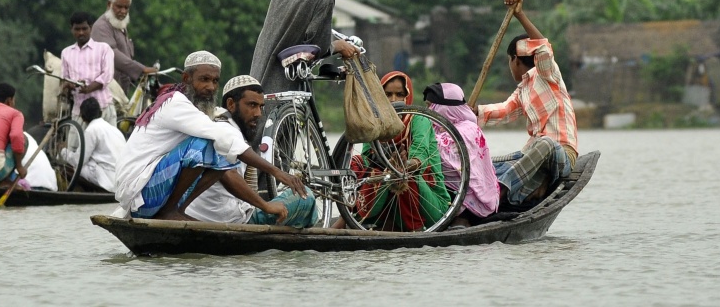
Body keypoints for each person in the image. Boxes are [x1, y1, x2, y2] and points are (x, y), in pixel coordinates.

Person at [113, 50, 307, 221]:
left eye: (215, 81)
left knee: (219, 150)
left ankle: (176, 210)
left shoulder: (196, 110)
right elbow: (221, 137)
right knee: (209, 143)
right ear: (187, 79)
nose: (211, 87)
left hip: (147, 192)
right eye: (204, 79)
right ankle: (171, 211)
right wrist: (276, 173)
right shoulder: (175, 103)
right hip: (141, 194)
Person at [474, 0, 578, 205]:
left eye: (509, 61)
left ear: (515, 60)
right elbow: (502, 111)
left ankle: (500, 191)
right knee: (491, 163)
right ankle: (504, 197)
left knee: (545, 143)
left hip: (561, 155)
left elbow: (542, 48)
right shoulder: (522, 90)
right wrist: (469, 111)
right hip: (533, 157)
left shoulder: (549, 76)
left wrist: (520, 15)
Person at [185, 75, 319, 227]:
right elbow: (228, 174)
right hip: (231, 220)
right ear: (231, 104)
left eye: (261, 107)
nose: (258, 114)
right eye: (252, 105)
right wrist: (266, 204)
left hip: (201, 215)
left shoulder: (215, 123)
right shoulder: (226, 130)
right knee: (305, 196)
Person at [335, 71, 450, 231]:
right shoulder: (375, 122)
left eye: (399, 94)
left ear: (407, 97)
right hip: (384, 190)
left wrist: (403, 165)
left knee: (402, 176)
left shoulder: (419, 119)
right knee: (357, 163)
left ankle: (414, 230)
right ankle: (348, 216)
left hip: (430, 205)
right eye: (387, 94)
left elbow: (420, 156)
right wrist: (386, 161)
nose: (393, 100)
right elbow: (368, 158)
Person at [423, 83, 500, 227]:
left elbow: (443, 155)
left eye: (430, 106)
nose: (428, 111)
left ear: (444, 108)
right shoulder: (438, 129)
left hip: (470, 202)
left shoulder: (468, 129)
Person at [91, 0, 158, 94]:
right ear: (109, 4)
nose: (123, 11)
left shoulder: (119, 25)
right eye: (119, 7)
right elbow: (112, 54)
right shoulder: (101, 26)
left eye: (126, 8)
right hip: (103, 91)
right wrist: (142, 69)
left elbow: (126, 56)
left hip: (120, 89)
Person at [61, 11, 116, 126]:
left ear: (91, 28)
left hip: (103, 107)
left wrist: (89, 88)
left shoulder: (103, 49)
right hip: (79, 111)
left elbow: (107, 75)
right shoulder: (66, 53)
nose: (81, 33)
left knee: (106, 143)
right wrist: (70, 86)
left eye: (84, 28)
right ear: (71, 29)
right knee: (75, 144)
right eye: (77, 29)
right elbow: (65, 78)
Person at [62, 97, 124, 193]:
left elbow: (78, 161)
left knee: (73, 167)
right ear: (100, 112)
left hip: (108, 180)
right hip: (121, 180)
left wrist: (63, 152)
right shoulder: (115, 130)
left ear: (82, 116)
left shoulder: (91, 130)